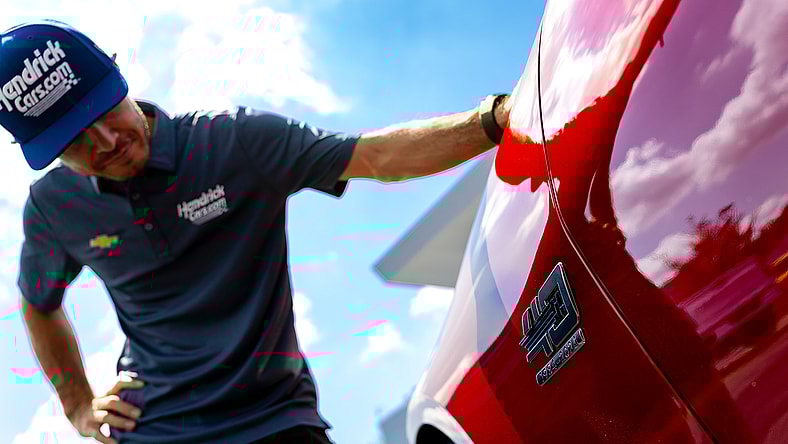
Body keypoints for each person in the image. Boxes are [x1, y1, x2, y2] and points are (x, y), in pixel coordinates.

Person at [1, 20, 512, 444]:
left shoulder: (233, 144)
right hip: (151, 430)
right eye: (75, 141)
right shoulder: (54, 208)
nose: (107, 141)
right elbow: (38, 304)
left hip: (274, 421)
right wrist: (79, 407)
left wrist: (493, 120)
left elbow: (376, 156)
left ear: (121, 79)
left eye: (105, 112)